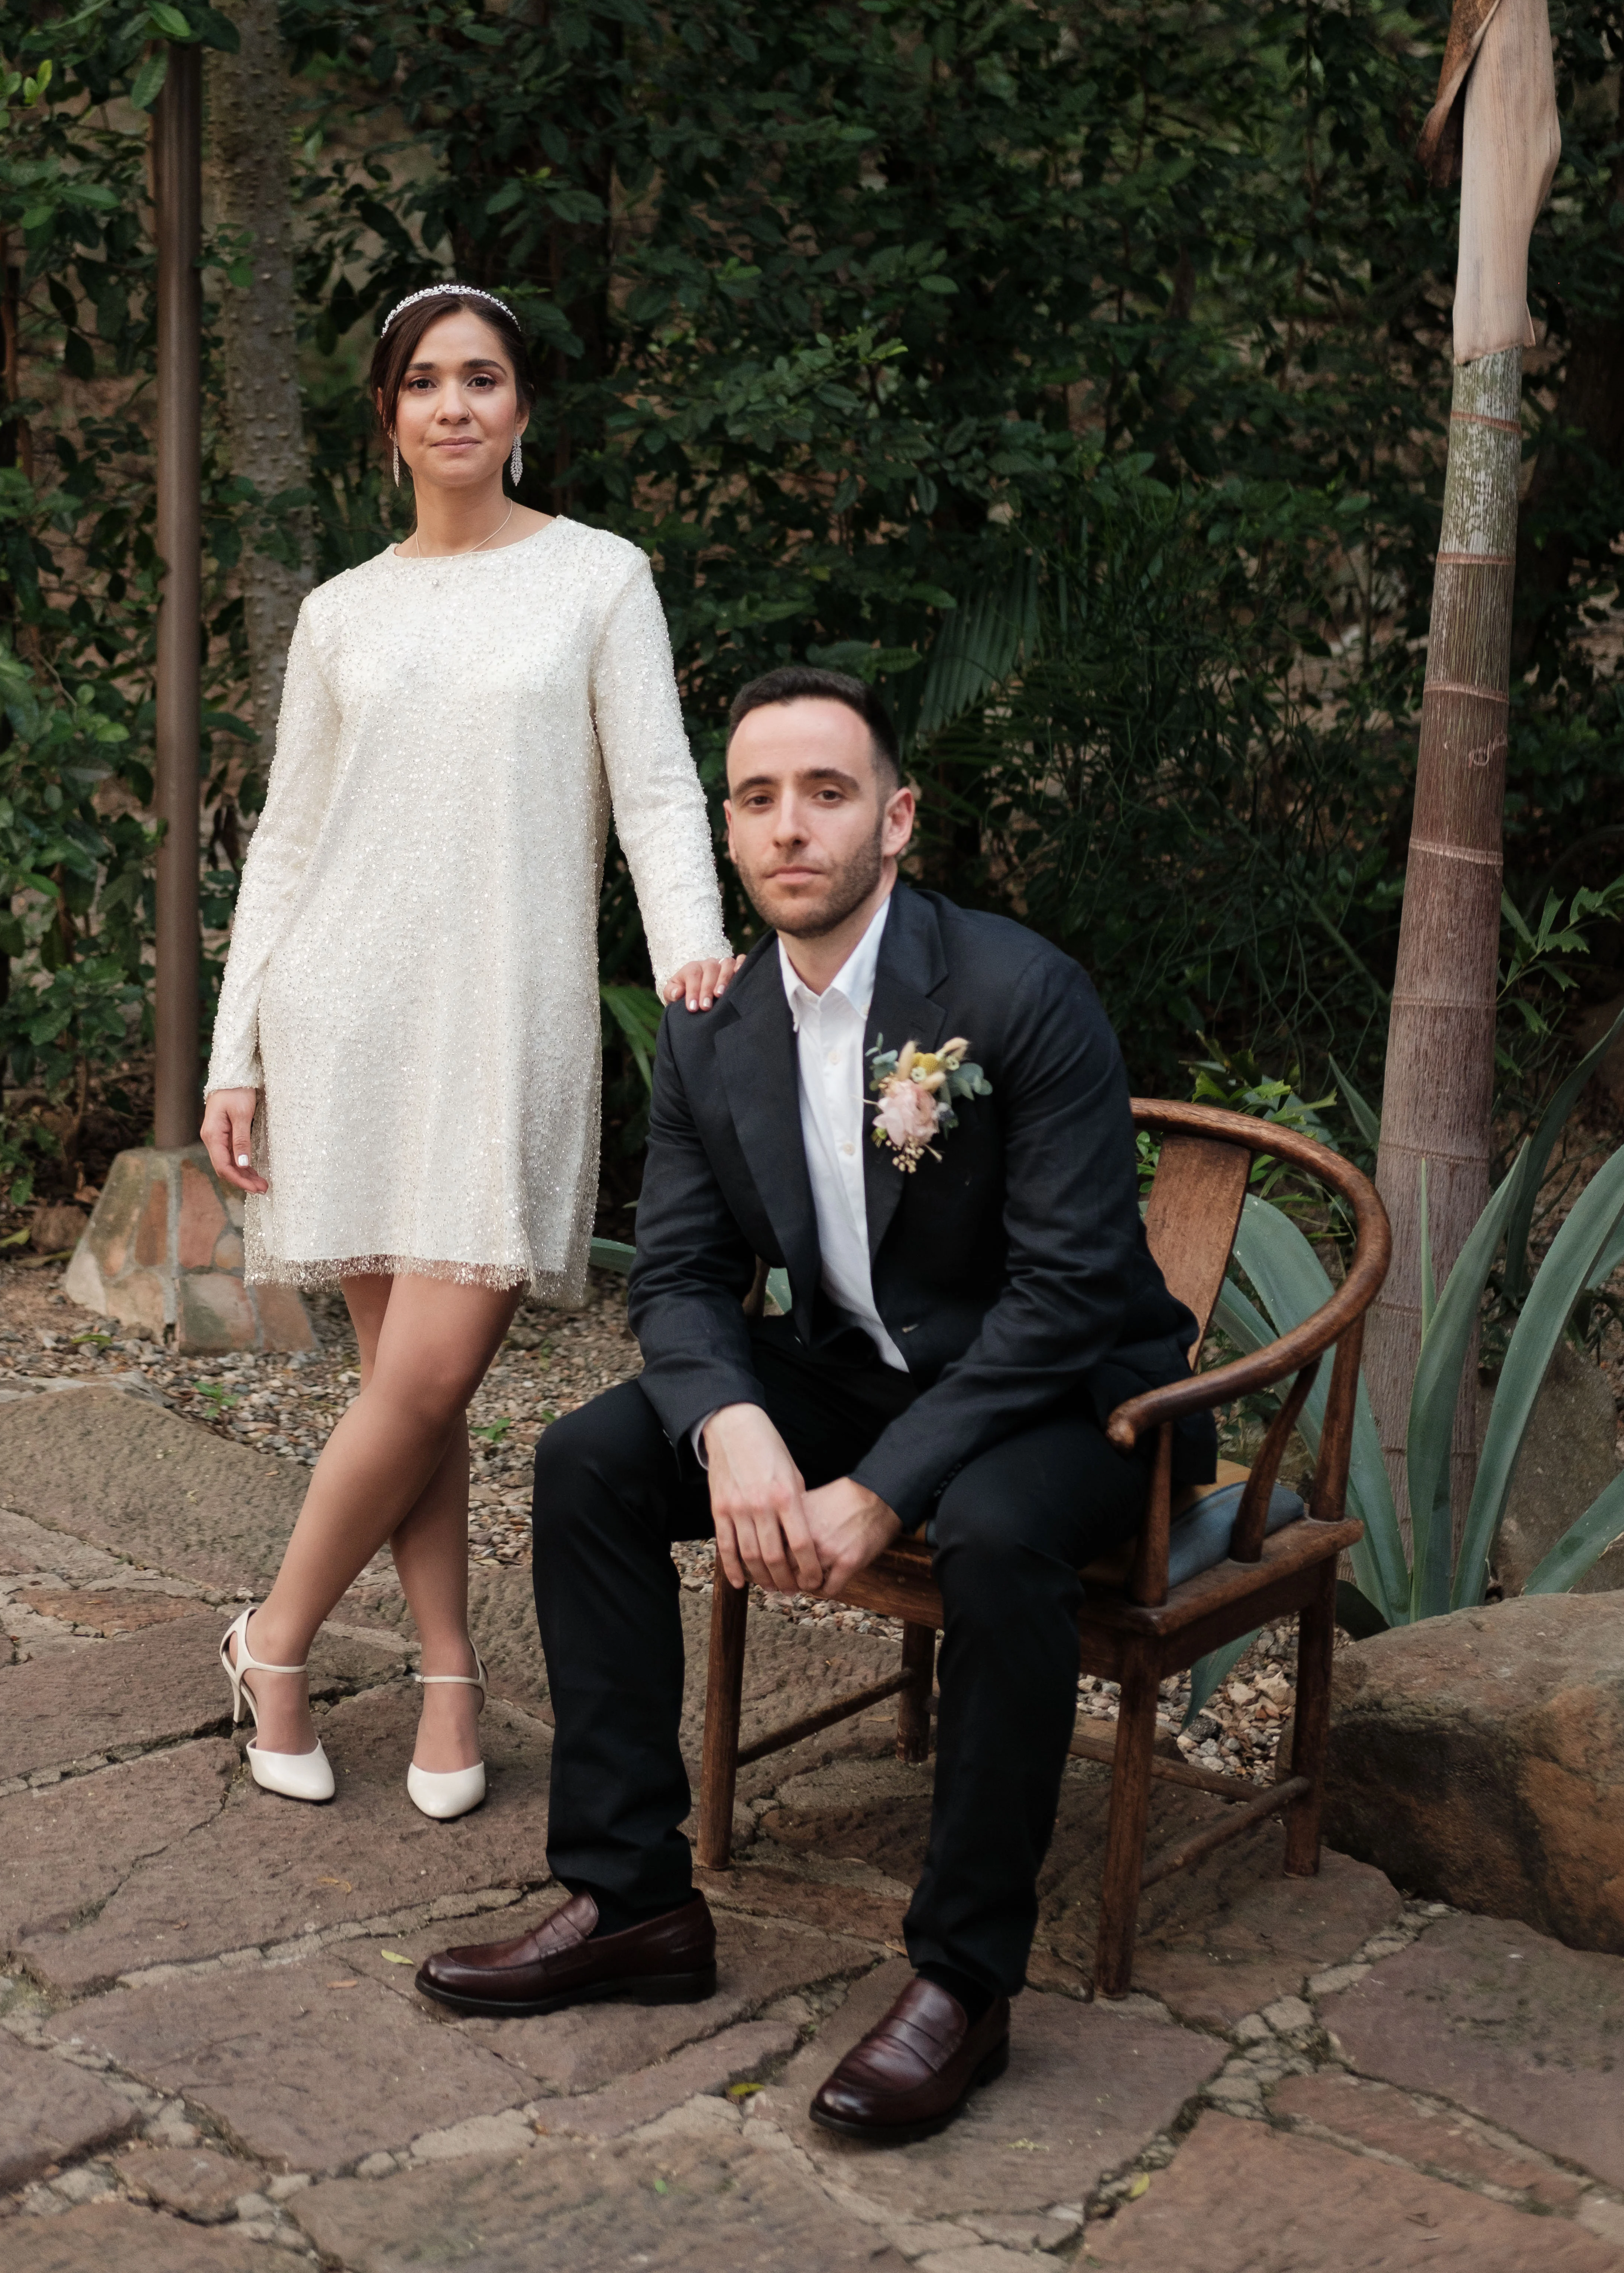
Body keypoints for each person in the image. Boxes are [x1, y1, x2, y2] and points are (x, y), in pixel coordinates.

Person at [413, 662, 1212, 2138]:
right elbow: (673, 1277)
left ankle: (962, 1984)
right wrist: (732, 1423)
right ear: (728, 833)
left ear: (893, 821)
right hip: (851, 1367)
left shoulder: (1012, 995)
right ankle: (632, 1901)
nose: (791, 827)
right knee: (591, 1457)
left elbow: (1068, 1297)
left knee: (985, 1529)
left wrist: (875, 1488)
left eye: (827, 795)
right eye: (759, 799)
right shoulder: (711, 1029)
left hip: (1078, 1404)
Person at [199, 281, 735, 1822]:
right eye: (423, 382)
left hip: (509, 1015)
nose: (453, 405)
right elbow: (289, 842)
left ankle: (274, 1636)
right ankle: (448, 1674)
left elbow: (651, 790)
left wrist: (692, 948)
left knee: (428, 1369)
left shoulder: (597, 580)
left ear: (520, 409)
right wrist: (238, 1050)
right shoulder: (342, 613)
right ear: (388, 418)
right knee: (404, 1384)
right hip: (345, 1010)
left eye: (481, 379)